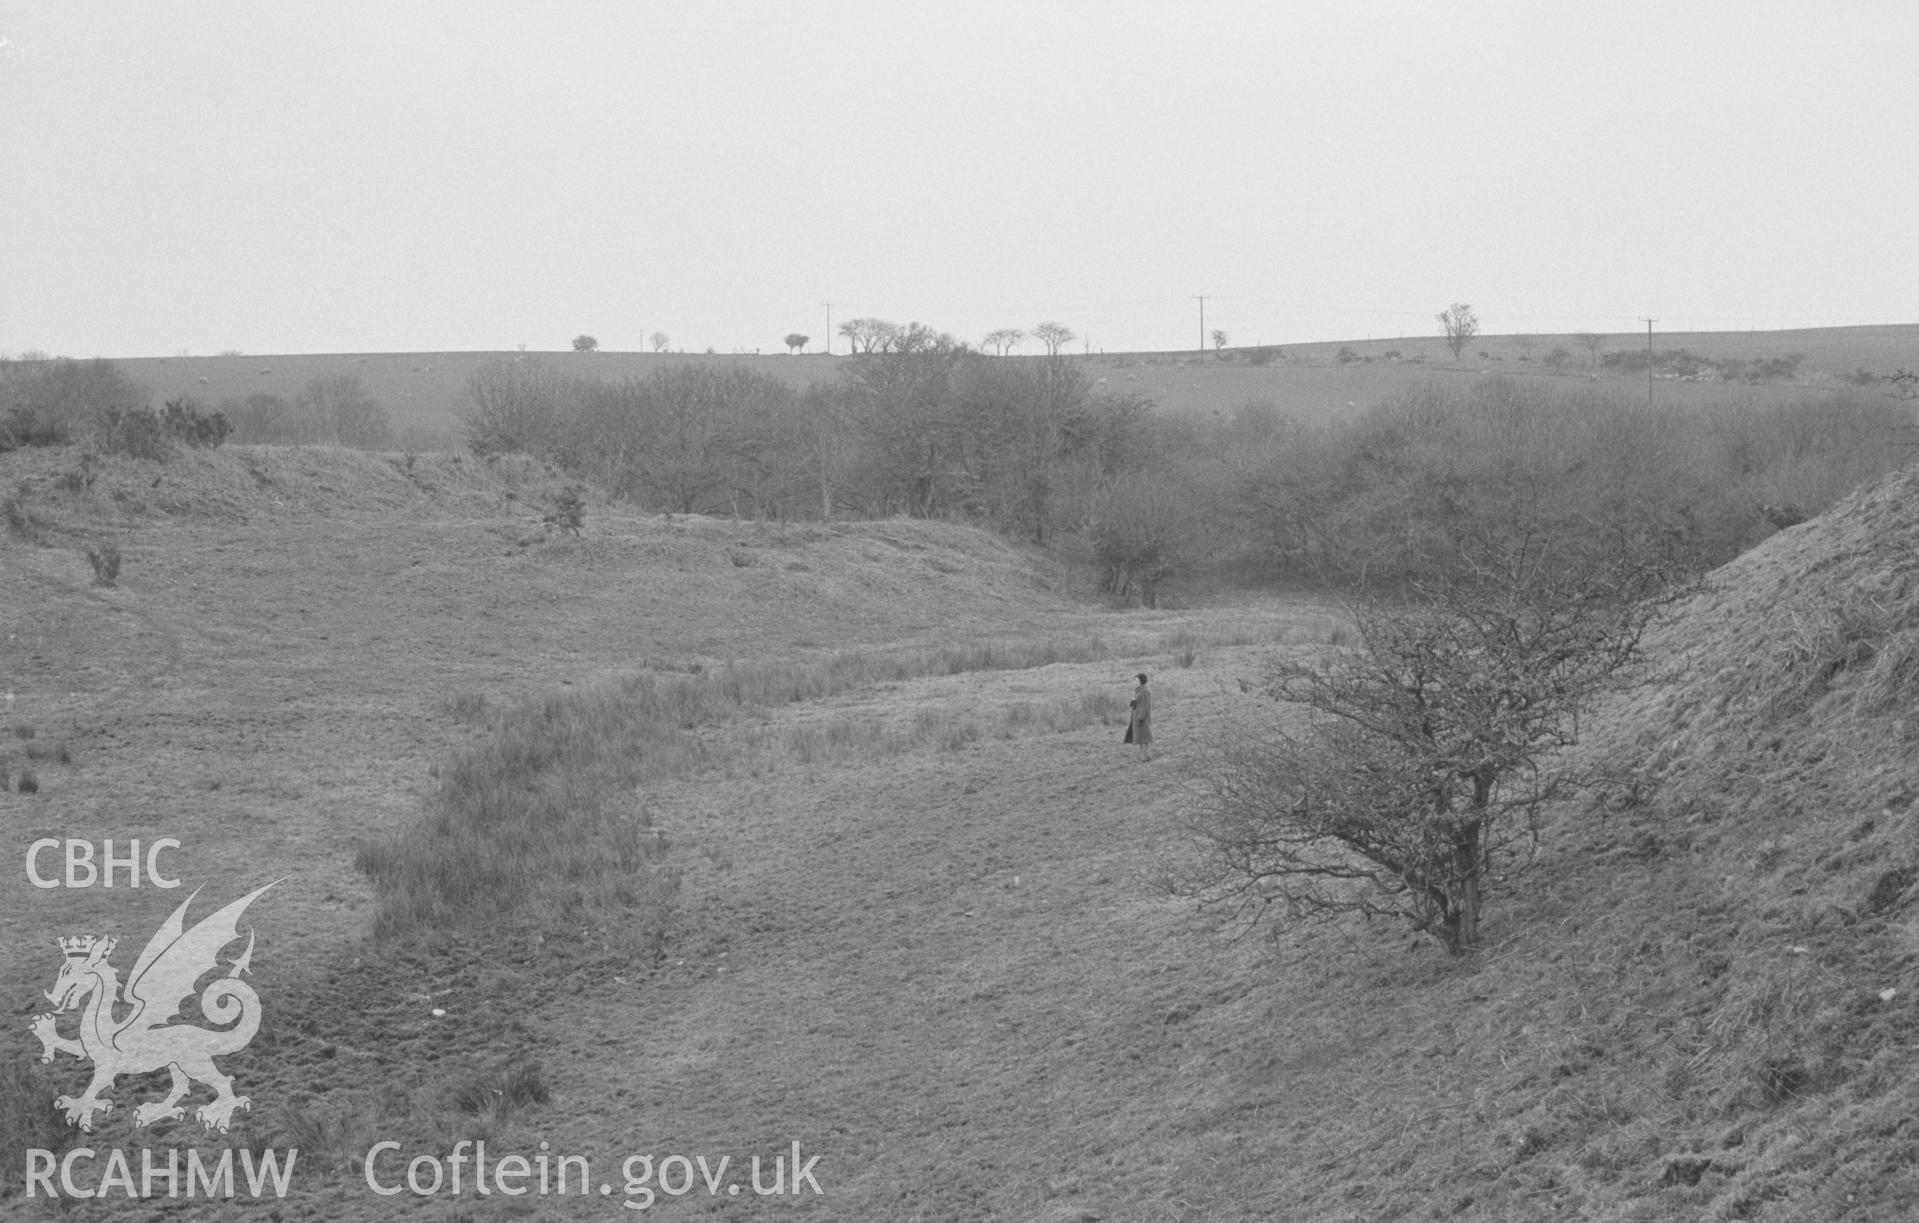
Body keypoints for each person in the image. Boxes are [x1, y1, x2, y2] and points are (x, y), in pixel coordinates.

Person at [1126, 672, 1152, 761]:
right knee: (1141, 738)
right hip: (1136, 717)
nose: (1135, 682)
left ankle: (1144, 756)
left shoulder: (1145, 692)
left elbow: (1145, 706)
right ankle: (1143, 755)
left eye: (1136, 680)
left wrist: (1140, 718)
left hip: (1142, 719)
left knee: (1145, 738)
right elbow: (1133, 705)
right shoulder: (1137, 691)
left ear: (1141, 681)